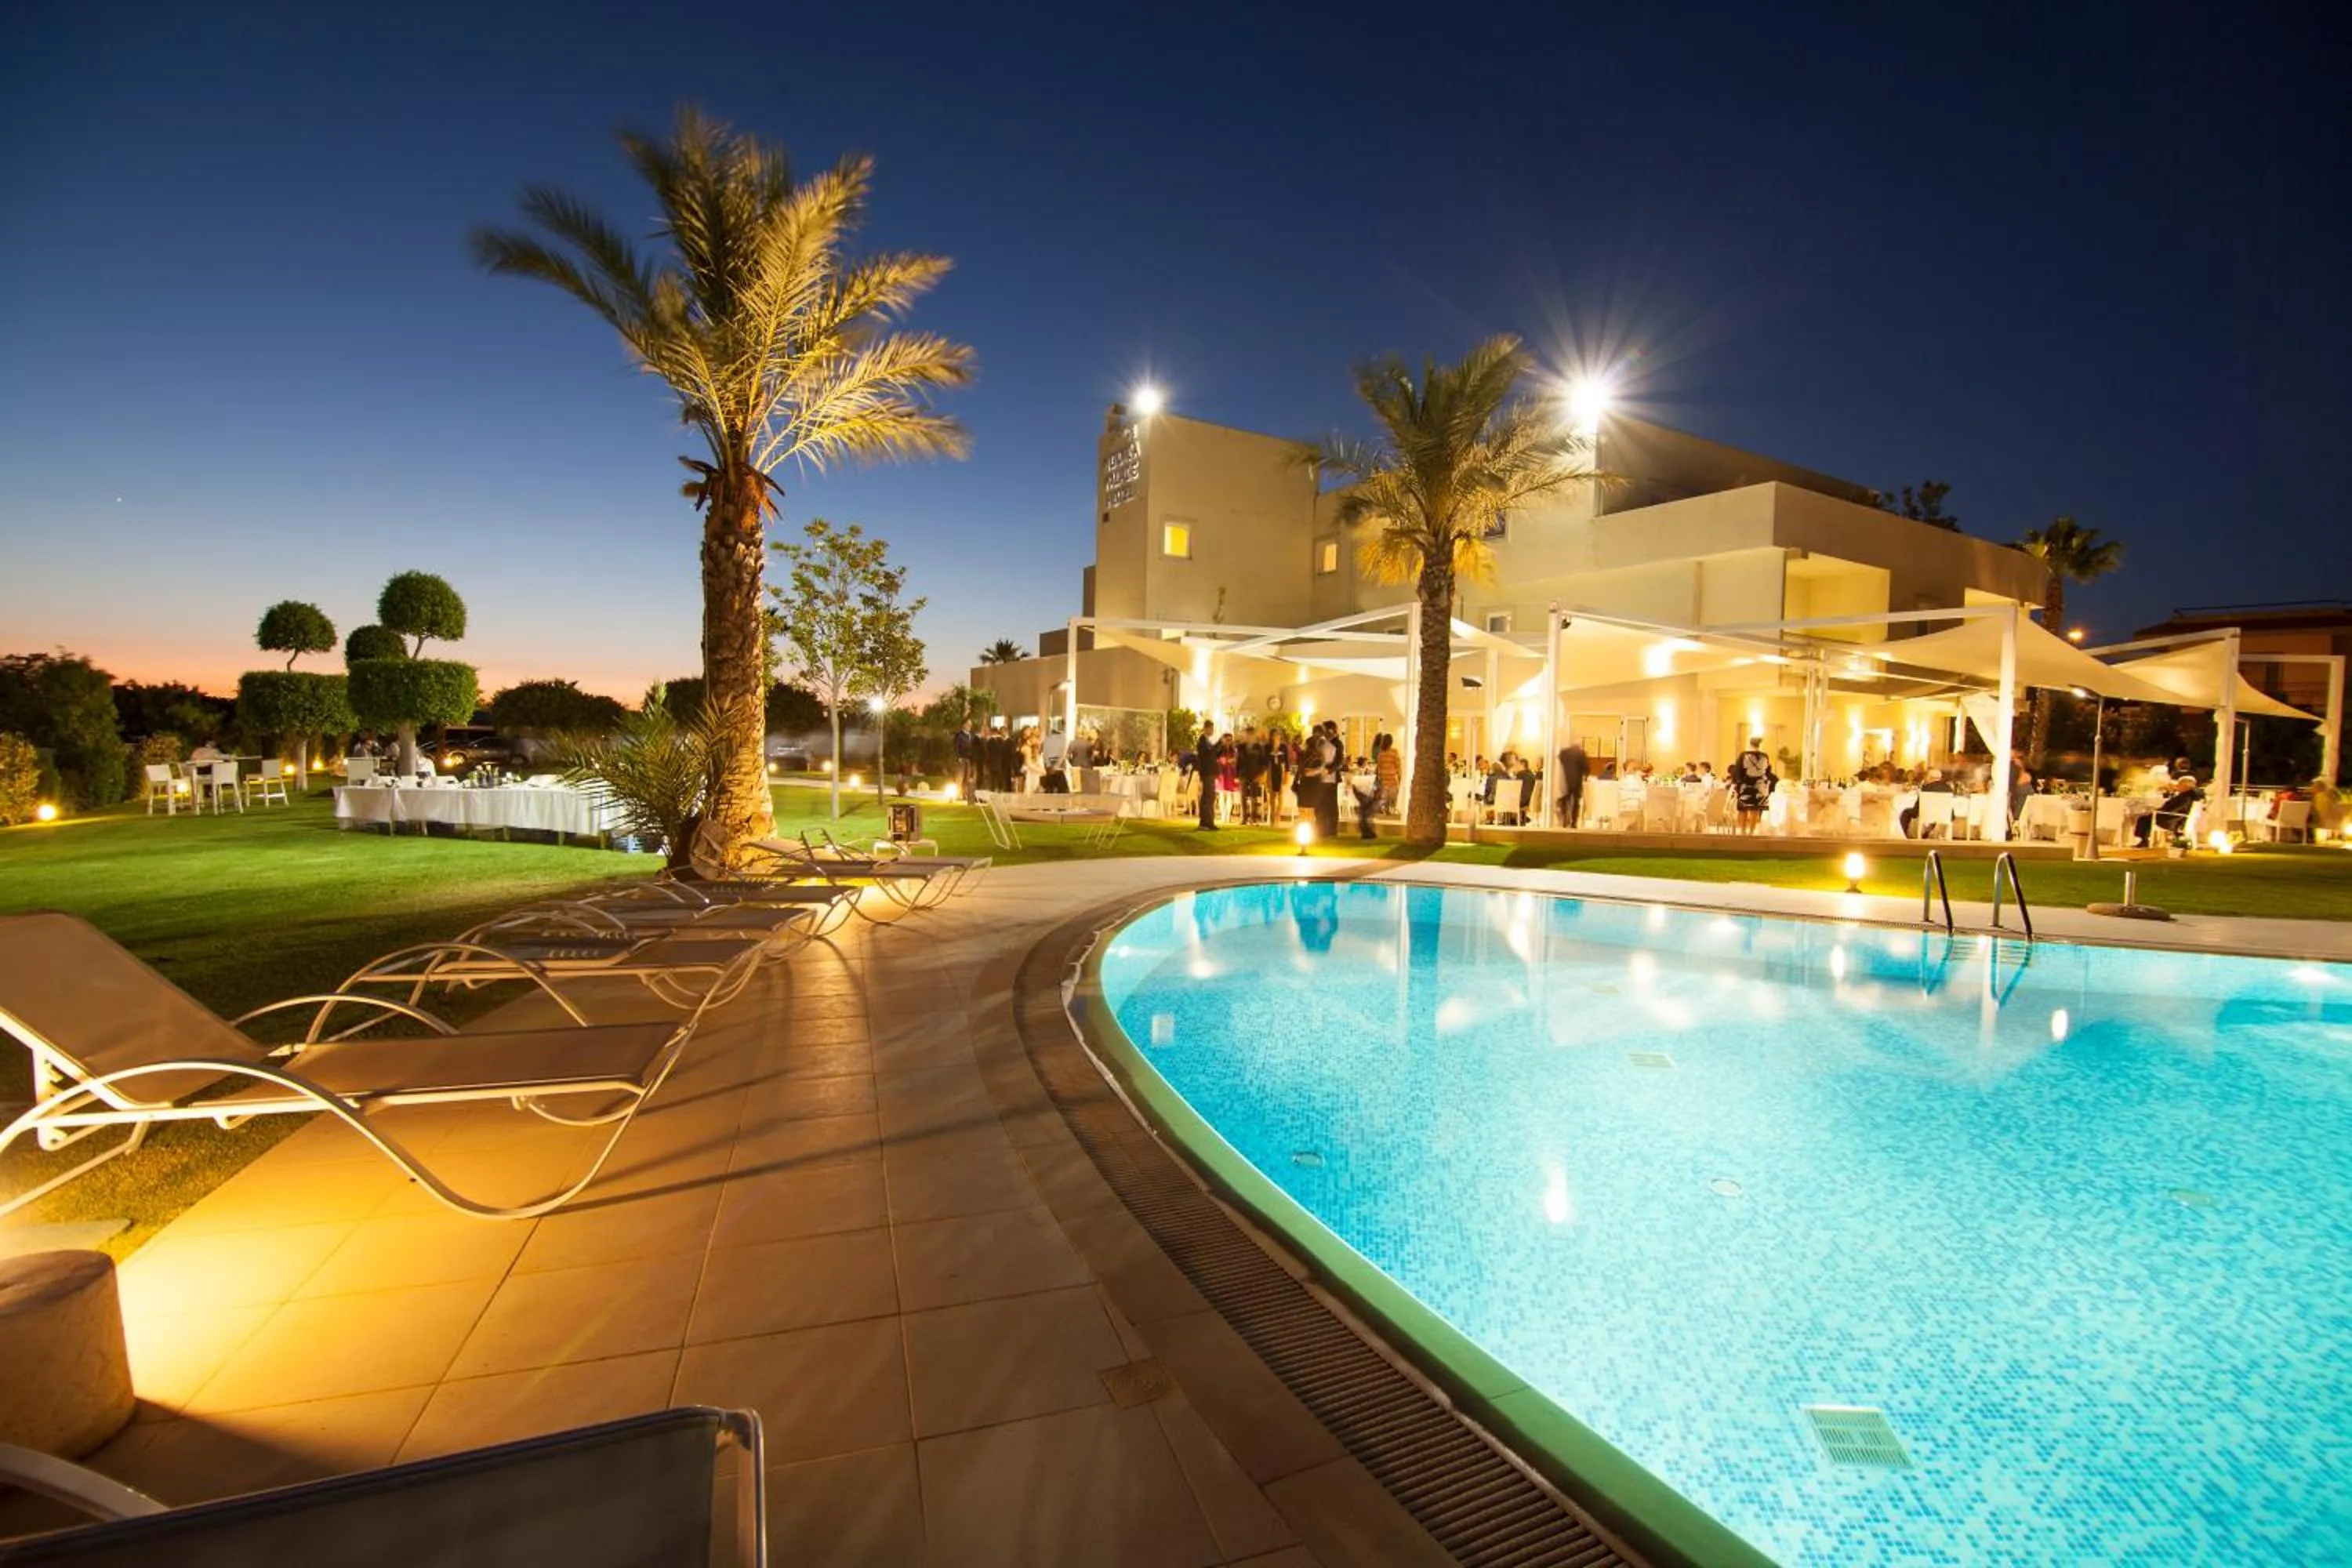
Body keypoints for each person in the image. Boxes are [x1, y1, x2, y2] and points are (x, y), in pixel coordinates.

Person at [1728, 735, 1775, 836]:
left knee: (1743, 809)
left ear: (1749, 743)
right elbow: (1767, 771)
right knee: (1755, 809)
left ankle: (1743, 831)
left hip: (1746, 784)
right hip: (1760, 785)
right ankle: (1752, 832)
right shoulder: (1765, 756)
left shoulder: (1744, 755)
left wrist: (1737, 783)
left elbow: (1738, 770)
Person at [2136, 774, 2201, 846]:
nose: (2177, 786)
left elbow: (2175, 809)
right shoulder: (2186, 796)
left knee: (2143, 819)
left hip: (2171, 820)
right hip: (2171, 817)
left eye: (2179, 784)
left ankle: (2145, 840)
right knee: (2146, 817)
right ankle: (2145, 839)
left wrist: (2159, 812)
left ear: (2186, 786)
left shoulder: (2185, 798)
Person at [1555, 740, 1589, 828]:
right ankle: (1573, 822)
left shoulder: (1563, 753)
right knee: (1575, 802)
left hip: (1564, 780)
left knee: (1565, 798)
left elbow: (1558, 763)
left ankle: (1564, 816)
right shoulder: (1580, 753)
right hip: (1576, 781)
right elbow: (1586, 768)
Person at [1194, 725, 1223, 830]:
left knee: (1210, 797)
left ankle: (1208, 821)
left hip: (1210, 772)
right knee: (1208, 797)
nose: (1212, 731)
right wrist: (1219, 743)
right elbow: (1208, 754)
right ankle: (1206, 822)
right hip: (1207, 772)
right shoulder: (1202, 742)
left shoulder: (1207, 742)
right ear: (1206, 729)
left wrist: (1221, 746)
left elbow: (1213, 754)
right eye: (1211, 729)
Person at [1372, 732, 1401, 817]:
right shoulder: (1394, 752)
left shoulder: (1381, 754)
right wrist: (1399, 777)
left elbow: (1379, 767)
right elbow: (1398, 766)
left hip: (1384, 780)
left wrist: (1380, 776)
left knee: (1386, 800)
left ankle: (1386, 812)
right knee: (1393, 800)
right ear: (1391, 742)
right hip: (1393, 779)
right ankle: (1391, 813)